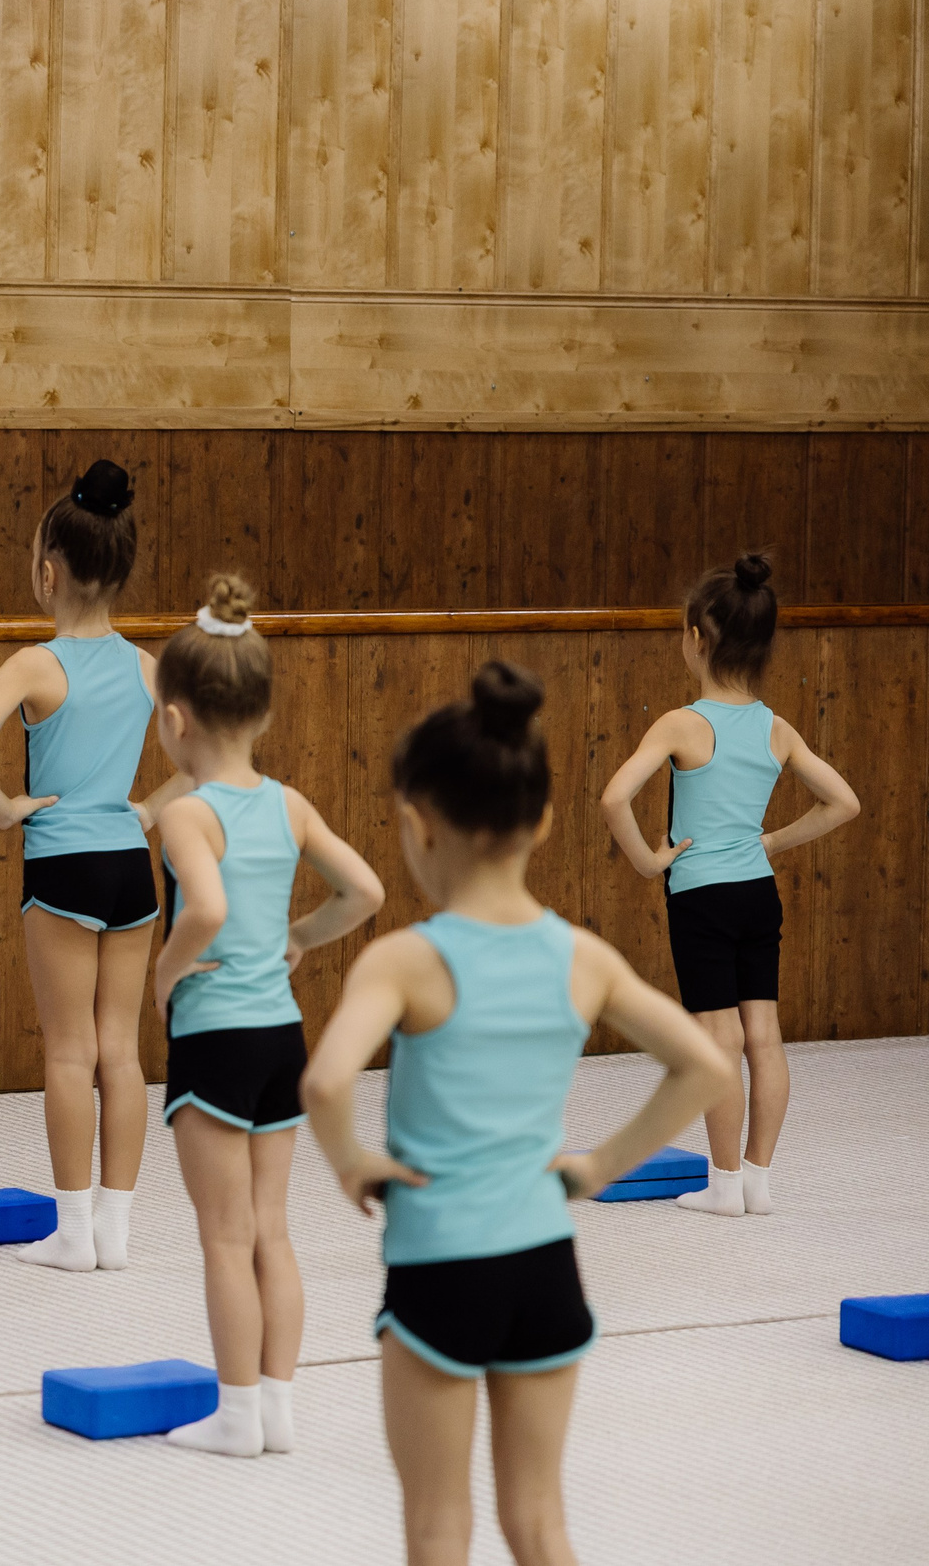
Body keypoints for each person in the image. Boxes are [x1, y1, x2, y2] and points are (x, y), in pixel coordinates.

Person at [306, 662, 729, 1565]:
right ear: (541, 821)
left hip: (439, 1266)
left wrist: (349, 1161)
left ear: (418, 826)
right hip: (544, 1262)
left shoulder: (404, 961)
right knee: (538, 1521)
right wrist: (598, 1165)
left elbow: (325, 1081)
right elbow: (703, 1063)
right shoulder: (584, 956)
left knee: (437, 1527)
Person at [153, 574, 383, 1456]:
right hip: (281, 1035)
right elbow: (365, 889)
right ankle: (277, 1406)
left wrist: (166, 976)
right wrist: (300, 936)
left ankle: (238, 1413)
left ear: (176, 720)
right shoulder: (288, 804)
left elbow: (203, 910)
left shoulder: (185, 814)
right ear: (263, 713)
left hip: (213, 1037)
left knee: (223, 1236)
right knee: (273, 1230)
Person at [0, 459, 180, 1270]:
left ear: (48, 572)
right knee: (122, 1051)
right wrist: (149, 808)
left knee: (69, 1053)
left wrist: (3, 807)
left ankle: (74, 1233)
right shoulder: (149, 667)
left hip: (63, 867)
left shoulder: (34, 664)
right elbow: (209, 760)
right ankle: (117, 1230)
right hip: (128, 867)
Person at [599, 552, 859, 1217]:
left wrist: (647, 861)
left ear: (697, 638)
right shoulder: (776, 727)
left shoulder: (682, 722)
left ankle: (721, 1186)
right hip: (756, 892)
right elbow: (844, 803)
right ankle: (757, 1180)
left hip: (701, 895)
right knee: (763, 1036)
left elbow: (614, 797)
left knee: (720, 1040)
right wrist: (770, 841)